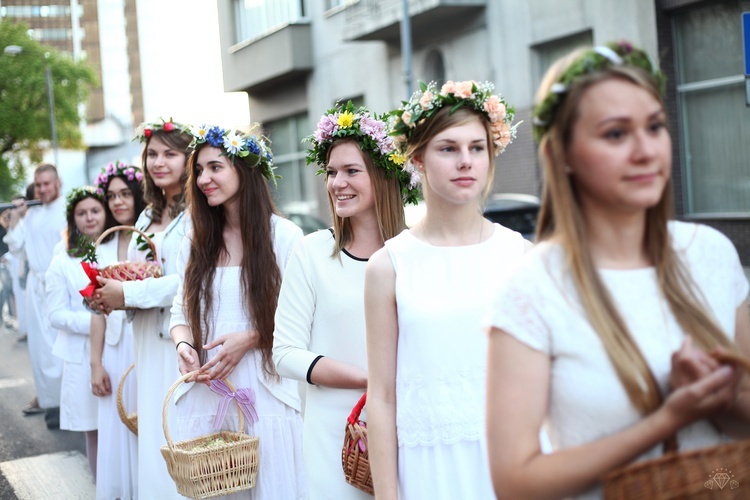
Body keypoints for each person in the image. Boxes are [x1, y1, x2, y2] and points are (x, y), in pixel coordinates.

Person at [484, 41, 750, 500]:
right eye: (615, 134)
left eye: (655, 126)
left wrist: (721, 396)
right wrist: (667, 419)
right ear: (562, 153)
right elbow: (516, 481)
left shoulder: (711, 253)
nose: (646, 151)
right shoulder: (532, 288)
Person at [364, 80, 527, 499]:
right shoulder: (389, 266)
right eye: (448, 148)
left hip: (511, 464)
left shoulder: (521, 256)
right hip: (429, 470)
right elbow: (380, 397)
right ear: (417, 158)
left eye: (477, 148)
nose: (465, 162)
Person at [272, 102, 418, 499]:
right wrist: (369, 379)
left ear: (384, 176)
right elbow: (284, 353)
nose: (338, 182)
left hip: (410, 427)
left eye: (352, 171)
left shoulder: (415, 255)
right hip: (333, 437)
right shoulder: (311, 253)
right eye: (332, 172)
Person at [169, 124, 305, 498]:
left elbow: (305, 321)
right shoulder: (195, 241)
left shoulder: (285, 237)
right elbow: (178, 313)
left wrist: (251, 338)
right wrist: (183, 346)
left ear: (244, 170)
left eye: (215, 167)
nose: (203, 179)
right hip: (208, 393)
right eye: (198, 170)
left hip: (264, 394)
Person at [90, 119, 191, 499]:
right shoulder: (147, 215)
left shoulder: (197, 212)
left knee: (177, 429)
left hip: (178, 339)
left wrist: (127, 295)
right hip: (143, 337)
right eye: (152, 154)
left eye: (170, 153)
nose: (159, 162)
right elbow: (136, 272)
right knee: (151, 431)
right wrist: (109, 294)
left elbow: (189, 280)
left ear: (187, 159)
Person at [89, 161, 145, 500]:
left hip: (142, 344)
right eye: (111, 196)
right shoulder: (103, 245)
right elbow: (97, 310)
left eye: (125, 193)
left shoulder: (149, 235)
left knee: (142, 422)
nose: (118, 201)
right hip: (112, 347)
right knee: (114, 424)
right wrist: (95, 363)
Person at [46, 186, 110, 477]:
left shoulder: (118, 248)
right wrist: (99, 321)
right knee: (94, 427)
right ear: (73, 220)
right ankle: (101, 485)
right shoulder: (62, 261)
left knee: (124, 422)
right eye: (81, 213)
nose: (89, 218)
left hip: (121, 348)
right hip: (82, 354)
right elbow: (56, 314)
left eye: (95, 210)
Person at [3, 163, 66, 427]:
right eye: (38, 185)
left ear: (57, 183)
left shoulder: (67, 210)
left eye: (46, 184)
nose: (42, 189)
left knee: (62, 346)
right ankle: (51, 402)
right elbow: (18, 250)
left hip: (60, 286)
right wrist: (15, 220)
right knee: (41, 348)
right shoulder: (32, 214)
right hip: (35, 286)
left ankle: (67, 402)